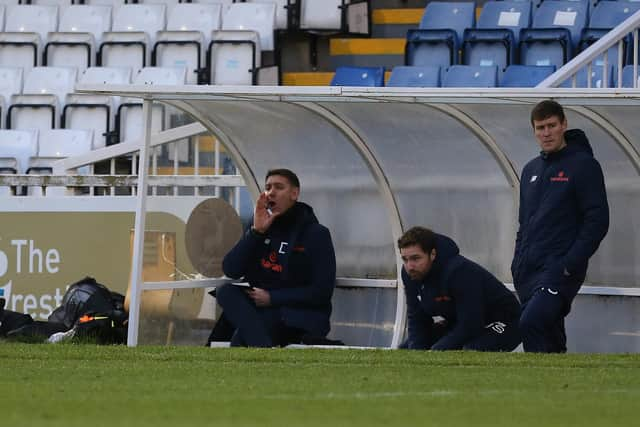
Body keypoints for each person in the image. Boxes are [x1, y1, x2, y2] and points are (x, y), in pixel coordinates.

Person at [512, 100, 609, 353]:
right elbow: (524, 223)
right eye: (540, 127)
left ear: (563, 125)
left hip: (560, 268)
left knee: (531, 323)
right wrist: (517, 262)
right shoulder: (530, 169)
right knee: (550, 335)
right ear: (533, 130)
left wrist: (568, 264)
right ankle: (558, 390)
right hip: (528, 271)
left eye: (551, 126)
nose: (546, 133)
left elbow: (597, 221)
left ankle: (535, 385)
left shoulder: (584, 165)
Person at [216, 168, 336, 347]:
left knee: (241, 340)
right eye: (268, 187)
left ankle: (262, 351)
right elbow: (230, 269)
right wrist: (256, 232)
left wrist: (273, 297)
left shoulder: (315, 234)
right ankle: (263, 349)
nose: (271, 192)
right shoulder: (259, 226)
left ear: (294, 194)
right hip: (262, 309)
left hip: (297, 314)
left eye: (279, 187)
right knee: (225, 291)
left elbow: (321, 292)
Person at [399, 226, 521, 351]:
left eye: (415, 258)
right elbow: (416, 318)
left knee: (469, 350)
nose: (410, 266)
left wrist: (438, 349)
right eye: (405, 259)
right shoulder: (410, 274)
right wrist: (416, 352)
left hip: (506, 322)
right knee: (405, 350)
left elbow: (471, 324)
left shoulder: (458, 271)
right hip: (461, 324)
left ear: (433, 254)